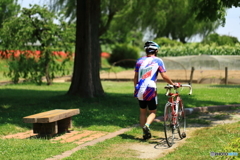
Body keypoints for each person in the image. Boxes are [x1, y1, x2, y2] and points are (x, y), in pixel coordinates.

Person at [133, 41, 178, 140]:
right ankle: (147, 126)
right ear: (156, 50)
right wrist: (172, 83)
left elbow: (135, 77)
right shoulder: (158, 61)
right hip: (150, 87)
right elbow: (164, 76)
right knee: (153, 111)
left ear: (146, 50)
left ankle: (145, 133)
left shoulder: (139, 61)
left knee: (142, 111)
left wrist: (135, 89)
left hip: (139, 88)